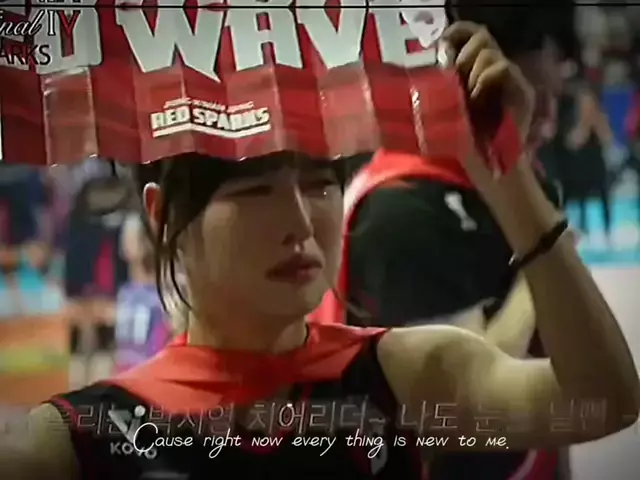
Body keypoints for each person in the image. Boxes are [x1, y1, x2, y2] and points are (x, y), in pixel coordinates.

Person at [1, 20, 638, 480]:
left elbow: (601, 402)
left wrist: (505, 174)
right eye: (254, 191)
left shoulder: (406, 376)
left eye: (319, 185)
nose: (301, 222)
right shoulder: (72, 444)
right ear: (163, 216)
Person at [313, 6, 575, 480]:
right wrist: (546, 263)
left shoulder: (526, 182)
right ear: (471, 90)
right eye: (531, 100)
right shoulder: (400, 213)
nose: (548, 120)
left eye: (554, 97)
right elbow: (456, 404)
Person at [113, 213, 171, 373]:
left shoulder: (160, 294)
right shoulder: (125, 292)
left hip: (149, 371)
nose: (125, 242)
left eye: (131, 236)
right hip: (124, 372)